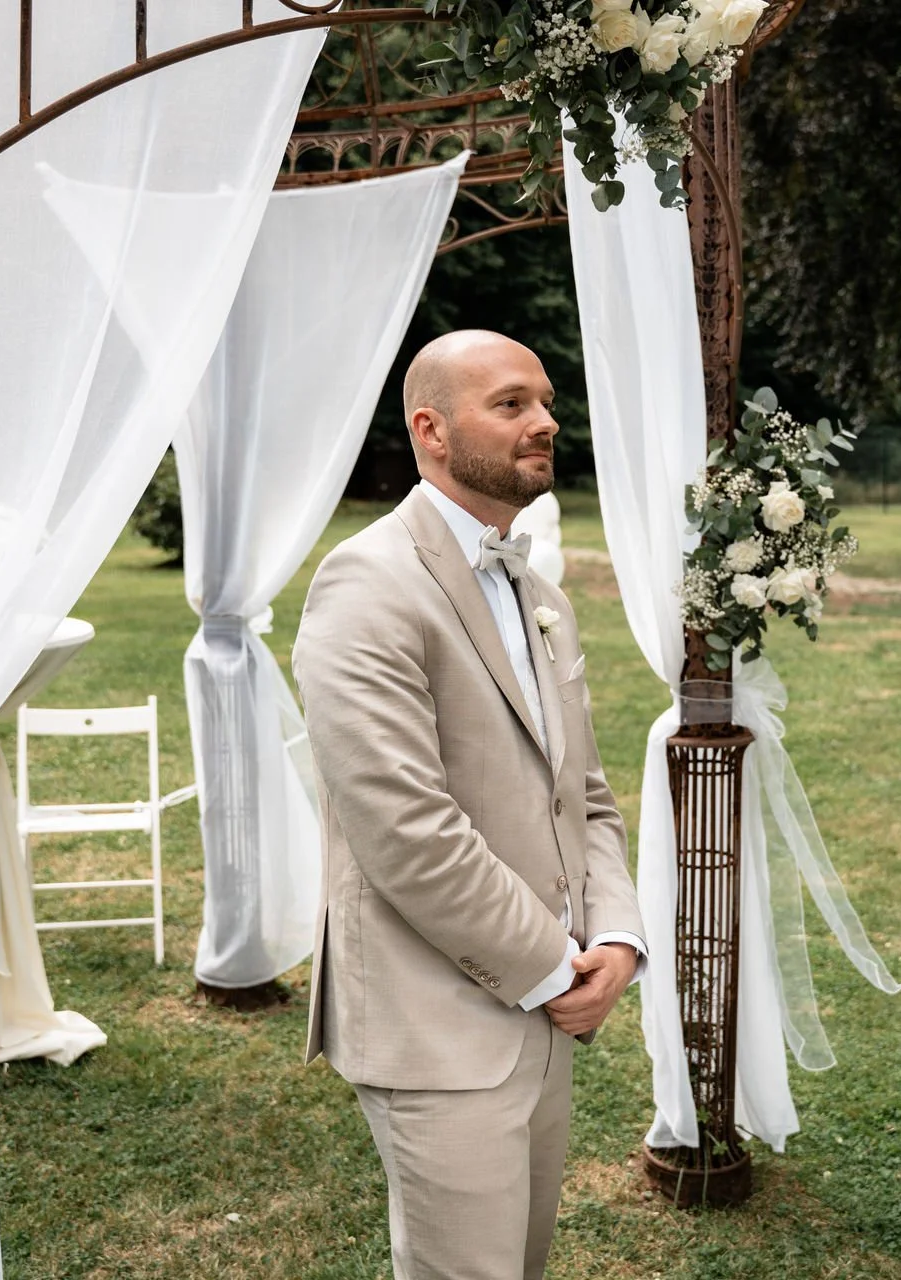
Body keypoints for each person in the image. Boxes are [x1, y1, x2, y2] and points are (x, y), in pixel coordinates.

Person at [294, 330, 646, 1280]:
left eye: (545, 402)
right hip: (439, 1020)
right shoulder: (365, 583)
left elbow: (586, 794)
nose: (545, 422)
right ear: (432, 430)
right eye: (511, 404)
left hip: (551, 1007)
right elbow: (406, 832)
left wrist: (616, 937)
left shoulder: (540, 592)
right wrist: (553, 968)